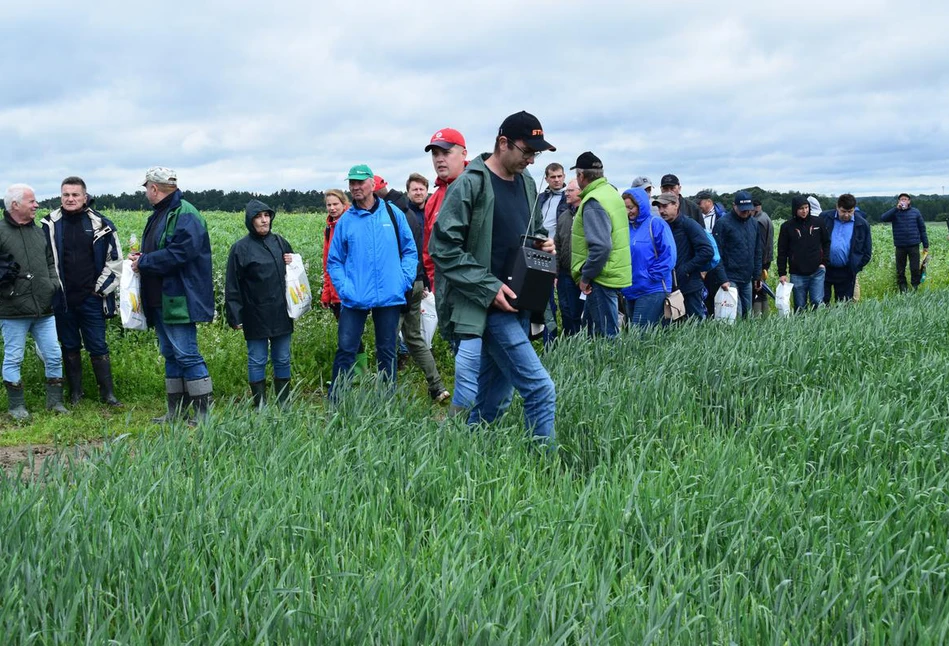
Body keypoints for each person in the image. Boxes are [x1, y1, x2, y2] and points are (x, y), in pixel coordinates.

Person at [429, 110, 557, 445]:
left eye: (536, 153)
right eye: (526, 151)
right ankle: (546, 472)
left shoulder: (528, 184)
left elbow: (532, 230)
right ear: (503, 143)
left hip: (519, 304)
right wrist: (488, 287)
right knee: (541, 389)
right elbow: (442, 248)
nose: (531, 159)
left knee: (492, 401)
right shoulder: (470, 184)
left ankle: (460, 454)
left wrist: (544, 241)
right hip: (487, 307)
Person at [130, 167, 214, 423]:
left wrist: (144, 262)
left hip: (179, 298)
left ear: (154, 188)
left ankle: (203, 415)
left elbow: (180, 254)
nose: (146, 192)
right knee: (170, 354)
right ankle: (175, 412)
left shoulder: (185, 214)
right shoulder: (160, 214)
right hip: (160, 298)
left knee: (187, 354)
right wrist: (141, 259)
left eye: (146, 188)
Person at [326, 164, 417, 397]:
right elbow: (334, 261)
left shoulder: (392, 214)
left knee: (387, 351)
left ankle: (386, 401)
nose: (355, 187)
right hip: (354, 296)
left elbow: (410, 251)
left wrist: (403, 280)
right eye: (352, 183)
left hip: (389, 296)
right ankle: (337, 400)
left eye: (360, 182)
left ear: (372, 184)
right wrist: (345, 289)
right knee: (346, 350)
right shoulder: (346, 220)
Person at [41, 176, 123, 407]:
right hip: (63, 299)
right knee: (69, 345)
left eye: (75, 195)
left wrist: (100, 290)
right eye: (66, 195)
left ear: (85, 197)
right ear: (61, 197)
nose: (70, 199)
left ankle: (107, 394)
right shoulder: (49, 225)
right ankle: (76, 393)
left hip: (92, 298)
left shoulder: (101, 225)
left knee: (98, 345)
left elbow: (115, 261)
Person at [421, 127, 485, 415]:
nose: (439, 159)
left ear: (464, 154)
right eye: (435, 153)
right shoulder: (435, 199)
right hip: (445, 290)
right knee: (459, 351)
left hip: (474, 288)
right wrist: (435, 284)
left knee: (472, 358)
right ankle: (478, 411)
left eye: (446, 152)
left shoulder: (480, 187)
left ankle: (468, 418)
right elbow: (429, 249)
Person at [1, 184, 66, 419]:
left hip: (44, 307)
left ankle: (55, 403)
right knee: (13, 357)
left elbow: (50, 261)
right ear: (15, 205)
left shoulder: (39, 231)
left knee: (53, 354)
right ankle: (16, 407)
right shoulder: (0, 231)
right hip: (13, 310)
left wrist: (52, 283)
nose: (36, 205)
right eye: (31, 201)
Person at [224, 200, 294, 409]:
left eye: (267, 215)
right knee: (257, 359)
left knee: (282, 358)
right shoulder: (240, 248)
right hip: (254, 312)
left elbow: (294, 275)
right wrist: (235, 314)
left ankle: (284, 404)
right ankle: (260, 405)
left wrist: (293, 260)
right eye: (259, 216)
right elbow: (232, 284)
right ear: (250, 220)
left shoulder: (280, 242)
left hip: (281, 311)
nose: (264, 220)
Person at [398, 172, 450, 403]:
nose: (418, 193)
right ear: (408, 192)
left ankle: (387, 392)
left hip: (408, 282)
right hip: (418, 279)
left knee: (389, 338)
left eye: (421, 189)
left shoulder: (404, 215)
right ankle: (437, 386)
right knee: (414, 336)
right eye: (414, 189)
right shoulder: (411, 213)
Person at [570, 151, 631, 337]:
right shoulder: (611, 194)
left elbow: (601, 246)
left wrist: (586, 276)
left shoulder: (593, 201)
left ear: (581, 175)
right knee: (591, 334)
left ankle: (614, 366)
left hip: (600, 277)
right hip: (612, 272)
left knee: (606, 337)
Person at [654, 192, 724, 319]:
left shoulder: (688, 224)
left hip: (690, 286)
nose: (661, 210)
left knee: (695, 326)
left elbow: (707, 251)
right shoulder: (662, 226)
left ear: (676, 205)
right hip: (671, 286)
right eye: (659, 207)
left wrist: (685, 269)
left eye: (665, 206)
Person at [321, 189, 368, 374]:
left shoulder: (352, 223)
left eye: (335, 204)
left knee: (351, 335)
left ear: (343, 203)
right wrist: (327, 292)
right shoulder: (329, 227)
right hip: (336, 291)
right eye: (329, 205)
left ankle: (360, 374)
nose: (332, 208)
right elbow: (328, 262)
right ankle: (356, 373)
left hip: (350, 289)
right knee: (346, 335)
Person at [621, 187, 676, 328]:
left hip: (652, 288)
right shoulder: (624, 227)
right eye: (625, 207)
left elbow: (669, 255)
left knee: (639, 334)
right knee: (636, 335)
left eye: (631, 207)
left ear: (641, 205)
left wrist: (651, 276)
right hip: (630, 289)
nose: (628, 211)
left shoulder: (656, 224)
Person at [713, 191, 762, 318]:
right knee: (735, 314)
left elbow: (757, 251)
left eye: (748, 210)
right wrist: (723, 278)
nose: (745, 213)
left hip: (747, 278)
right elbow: (717, 253)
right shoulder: (723, 224)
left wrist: (757, 276)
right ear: (734, 206)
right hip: (730, 278)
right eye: (742, 210)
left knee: (748, 314)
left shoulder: (754, 224)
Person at [776, 196, 829, 311]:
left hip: (817, 271)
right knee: (800, 306)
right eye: (801, 208)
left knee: (817, 302)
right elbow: (782, 251)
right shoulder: (787, 227)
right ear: (795, 209)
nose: (804, 211)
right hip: (797, 273)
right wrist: (782, 273)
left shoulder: (818, 222)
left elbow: (826, 242)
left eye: (806, 208)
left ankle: (820, 326)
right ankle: (802, 327)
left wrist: (824, 262)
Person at [822, 193, 872, 302]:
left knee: (843, 305)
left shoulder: (862, 225)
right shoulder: (825, 218)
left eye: (850, 212)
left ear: (854, 209)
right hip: (825, 269)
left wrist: (855, 267)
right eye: (843, 211)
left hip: (847, 271)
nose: (846, 215)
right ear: (837, 207)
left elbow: (867, 252)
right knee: (821, 302)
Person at [880, 193, 929, 292]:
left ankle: (915, 287)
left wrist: (925, 245)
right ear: (899, 201)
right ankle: (903, 289)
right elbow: (883, 218)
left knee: (915, 268)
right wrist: (895, 209)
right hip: (900, 246)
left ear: (909, 201)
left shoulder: (915, 212)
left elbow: (922, 229)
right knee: (900, 270)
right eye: (901, 199)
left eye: (905, 199)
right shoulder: (895, 213)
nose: (903, 201)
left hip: (914, 245)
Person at [554, 179, 583, 336]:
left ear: (580, 192)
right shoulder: (564, 216)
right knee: (565, 310)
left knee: (580, 313)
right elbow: (557, 245)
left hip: (582, 273)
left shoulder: (587, 213)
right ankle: (568, 345)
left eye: (570, 190)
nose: (567, 193)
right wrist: (556, 272)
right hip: (565, 273)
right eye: (566, 191)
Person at [752, 198, 774, 316]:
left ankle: (758, 316)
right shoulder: (765, 216)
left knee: (758, 289)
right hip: (766, 259)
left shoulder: (758, 221)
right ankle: (765, 316)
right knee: (762, 290)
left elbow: (759, 246)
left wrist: (758, 265)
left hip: (761, 261)